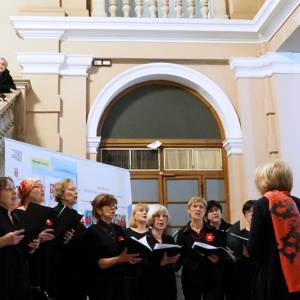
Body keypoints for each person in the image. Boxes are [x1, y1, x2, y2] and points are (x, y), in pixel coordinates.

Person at [248, 160, 300, 300]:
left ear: (265, 181)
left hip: (272, 275)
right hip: (297, 276)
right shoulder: (298, 203)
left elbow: (254, 248)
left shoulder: (262, 204)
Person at [84, 193, 141, 300]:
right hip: (102, 286)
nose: (113, 209)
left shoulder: (118, 229)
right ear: (99, 210)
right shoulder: (92, 232)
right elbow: (98, 264)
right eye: (109, 206)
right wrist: (120, 259)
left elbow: (125, 251)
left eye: (114, 206)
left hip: (121, 283)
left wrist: (131, 258)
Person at [176, 196, 222, 300]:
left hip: (210, 274)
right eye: (195, 206)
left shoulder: (212, 231)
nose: (198, 209)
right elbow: (179, 256)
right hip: (190, 275)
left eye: (201, 207)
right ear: (189, 210)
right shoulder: (183, 233)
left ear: (205, 211)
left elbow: (220, 251)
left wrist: (218, 259)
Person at [0, 176, 37, 300]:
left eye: (14, 187)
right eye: (8, 188)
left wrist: (31, 247)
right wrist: (3, 241)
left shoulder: (17, 217)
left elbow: (22, 250)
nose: (14, 191)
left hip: (20, 280)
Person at [140, 204, 179, 300]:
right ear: (151, 219)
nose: (161, 219)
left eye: (164, 216)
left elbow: (175, 264)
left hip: (168, 282)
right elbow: (141, 265)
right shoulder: (145, 238)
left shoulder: (169, 239)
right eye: (157, 216)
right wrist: (161, 263)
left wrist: (177, 260)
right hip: (150, 284)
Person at [229, 200, 256, 300]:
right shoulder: (239, 234)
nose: (252, 213)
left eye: (254, 211)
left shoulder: (266, 233)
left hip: (261, 272)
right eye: (248, 211)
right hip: (244, 273)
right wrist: (244, 255)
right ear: (245, 215)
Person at [206, 200, 232, 300]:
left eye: (217, 210)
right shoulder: (205, 230)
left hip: (229, 268)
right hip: (212, 269)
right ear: (206, 215)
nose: (215, 213)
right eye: (211, 211)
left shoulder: (231, 228)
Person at [124, 203, 150, 300]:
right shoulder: (126, 232)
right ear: (134, 215)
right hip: (130, 274)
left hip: (148, 274)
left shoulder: (152, 232)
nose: (144, 213)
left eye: (146, 211)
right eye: (141, 210)